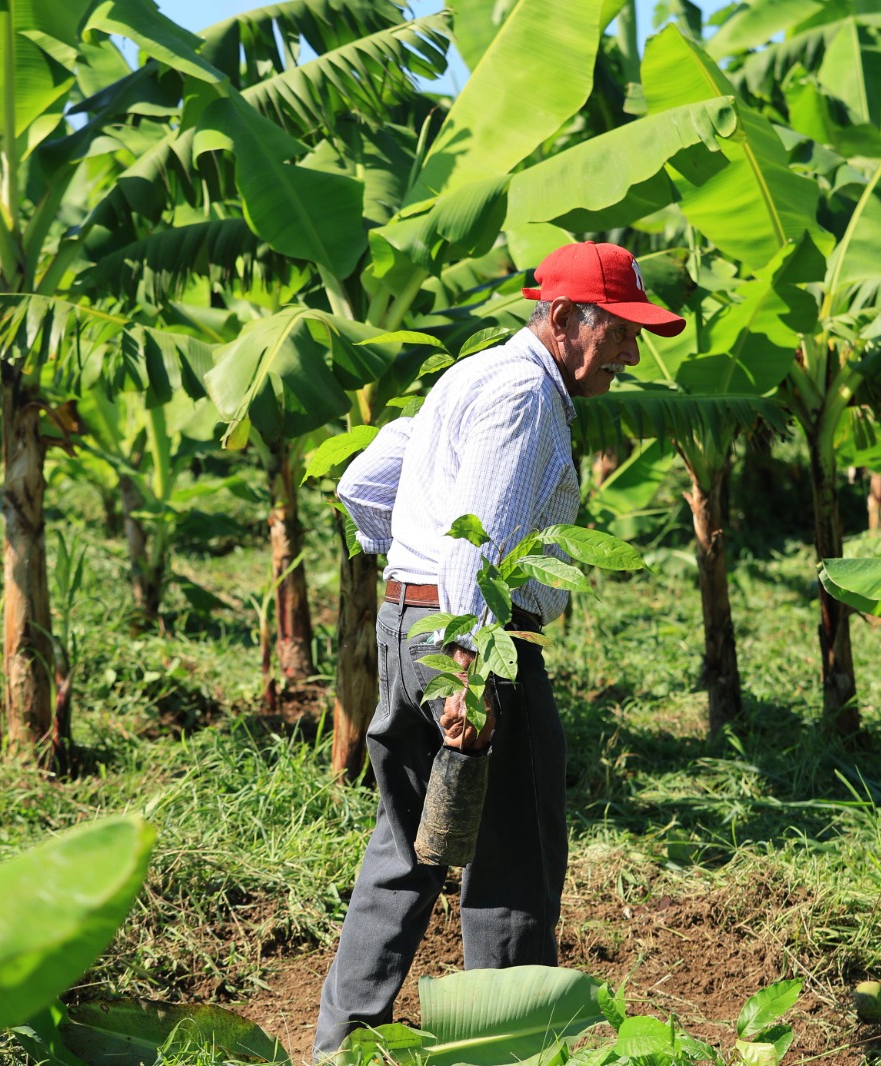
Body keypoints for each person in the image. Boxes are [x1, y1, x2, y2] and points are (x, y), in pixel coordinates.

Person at [314, 242, 686, 1057]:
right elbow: (477, 546)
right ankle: (512, 1048)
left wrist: (408, 574)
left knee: (405, 845)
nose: (631, 354)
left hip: (409, 621)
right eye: (621, 332)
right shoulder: (525, 395)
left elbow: (363, 485)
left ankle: (340, 1047)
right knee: (513, 853)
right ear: (564, 319)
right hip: (478, 639)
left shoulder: (474, 373)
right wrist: (470, 670)